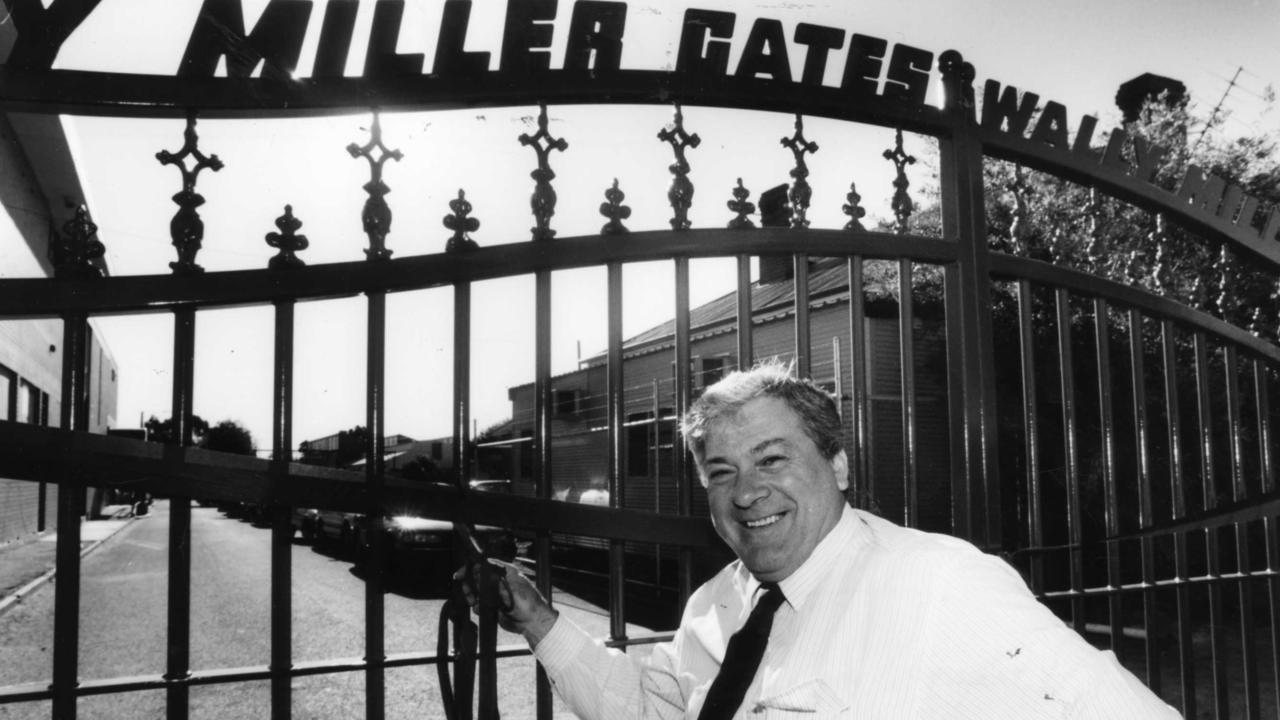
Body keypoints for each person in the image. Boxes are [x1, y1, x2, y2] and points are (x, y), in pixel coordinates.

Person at [459, 361, 1181, 719]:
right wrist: (541, 622)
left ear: (836, 463)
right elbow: (653, 712)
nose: (746, 492)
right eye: (721, 471)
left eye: (772, 459)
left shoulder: (935, 582)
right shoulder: (716, 605)